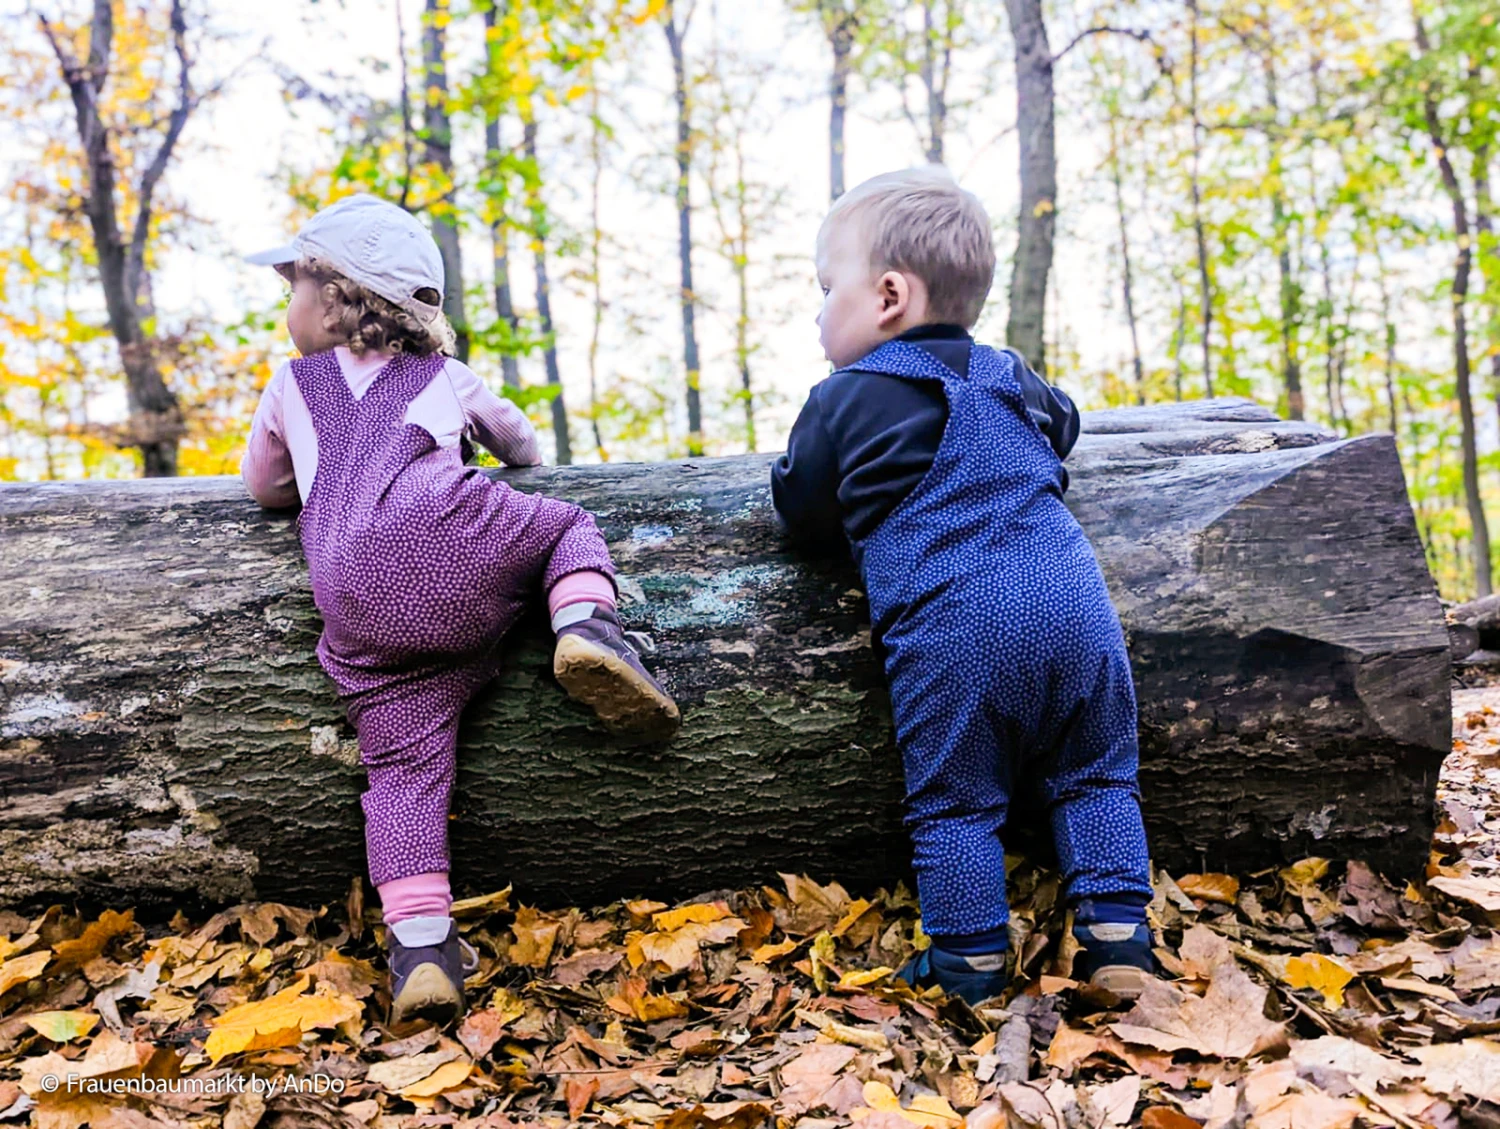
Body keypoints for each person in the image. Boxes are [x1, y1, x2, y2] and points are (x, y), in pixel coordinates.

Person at [240, 193, 681, 1029]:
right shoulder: (443, 375)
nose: (285, 304)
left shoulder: (289, 386)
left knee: (401, 778)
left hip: (359, 607)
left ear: (333, 297)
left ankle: (422, 949)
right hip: (450, 540)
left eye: (292, 285)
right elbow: (524, 448)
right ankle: (585, 624)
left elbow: (265, 487)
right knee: (563, 523)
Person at [771, 166, 1156, 1005]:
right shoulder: (1009, 373)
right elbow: (1069, 422)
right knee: (1097, 775)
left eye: (825, 286)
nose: (816, 308)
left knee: (955, 803)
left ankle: (970, 958)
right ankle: (1120, 933)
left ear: (888, 295)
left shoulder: (845, 399)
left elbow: (800, 508)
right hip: (1078, 610)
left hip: (958, 631)